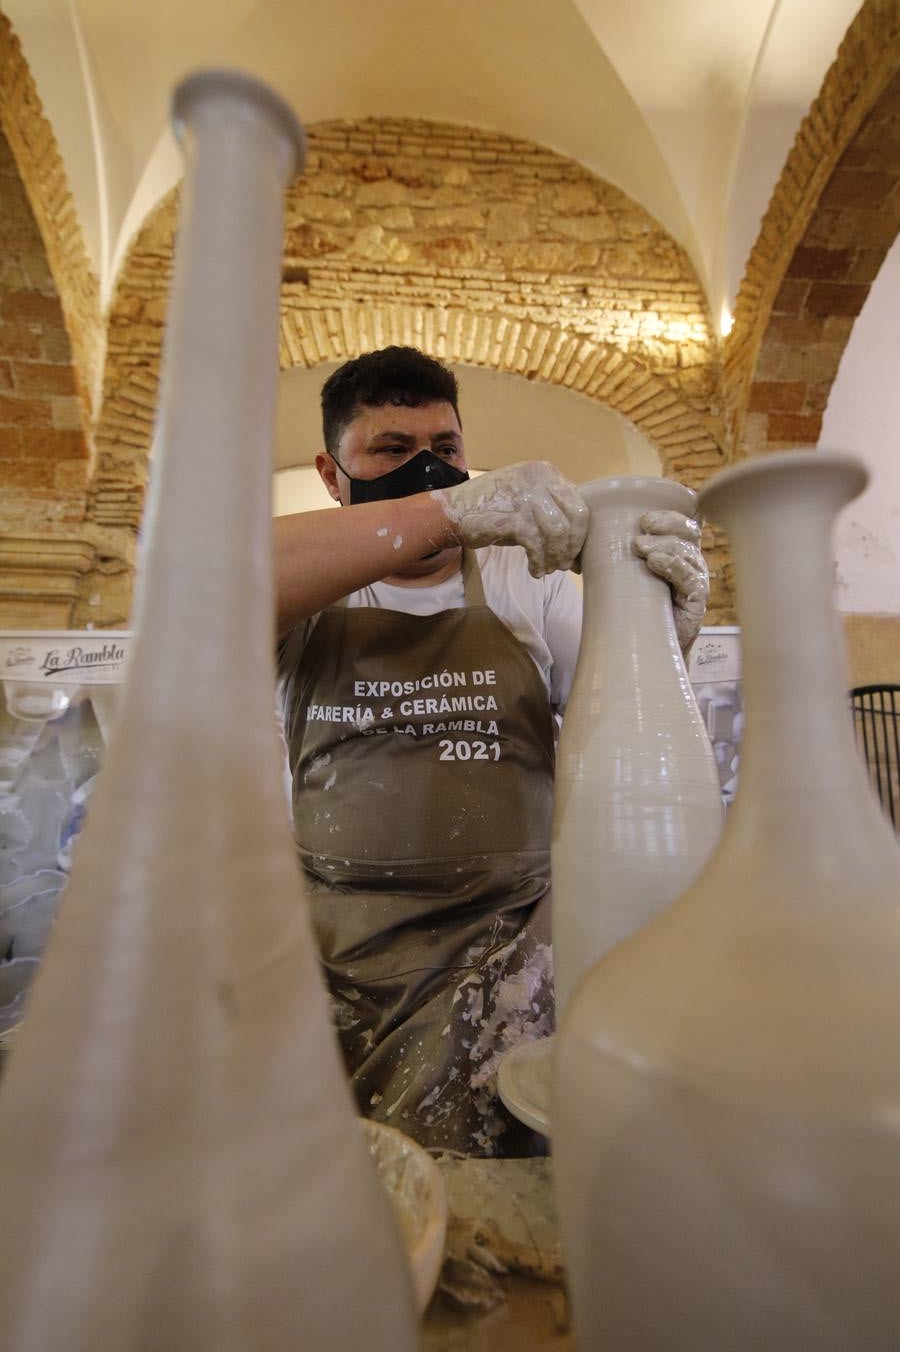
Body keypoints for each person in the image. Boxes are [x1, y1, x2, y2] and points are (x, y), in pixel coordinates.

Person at [275, 346, 707, 1155]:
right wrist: (448, 513)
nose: (425, 468)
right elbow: (213, 582)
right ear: (334, 477)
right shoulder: (309, 581)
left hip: (509, 944)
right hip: (336, 943)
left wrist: (658, 645)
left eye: (444, 451)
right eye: (391, 451)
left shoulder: (528, 578)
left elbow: (620, 740)